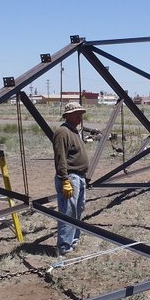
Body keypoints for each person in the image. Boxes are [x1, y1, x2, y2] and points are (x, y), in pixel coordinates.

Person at [53, 101, 89, 255]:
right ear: (68, 115)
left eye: (80, 114)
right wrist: (64, 179)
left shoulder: (74, 131)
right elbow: (60, 157)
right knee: (68, 211)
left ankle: (73, 241)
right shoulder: (63, 132)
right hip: (70, 177)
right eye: (77, 114)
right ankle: (64, 246)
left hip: (79, 177)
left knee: (77, 210)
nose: (80, 117)